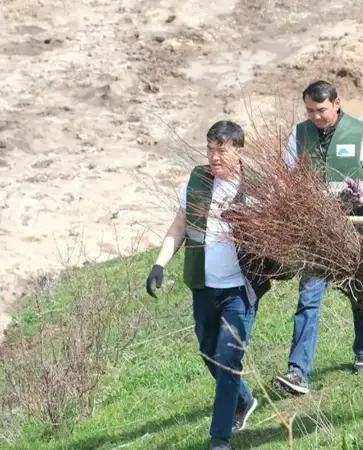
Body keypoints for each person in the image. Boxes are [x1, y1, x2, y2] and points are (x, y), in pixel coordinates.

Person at [145, 120, 271, 450]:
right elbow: (179, 227)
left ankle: (220, 438)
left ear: (238, 152)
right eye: (210, 150)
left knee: (228, 357)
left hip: (239, 291)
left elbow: (272, 241)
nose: (214, 157)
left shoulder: (256, 186)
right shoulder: (198, 180)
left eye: (222, 150)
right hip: (204, 288)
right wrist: (159, 264)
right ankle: (243, 400)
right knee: (208, 353)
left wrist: (248, 223)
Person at [272, 80, 363, 397]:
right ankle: (298, 371)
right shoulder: (298, 134)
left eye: (320, 110)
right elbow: (287, 181)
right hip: (316, 233)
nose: (315, 116)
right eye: (309, 110)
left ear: (337, 103)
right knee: (308, 298)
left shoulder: (361, 133)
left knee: (359, 292)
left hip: (354, 230)